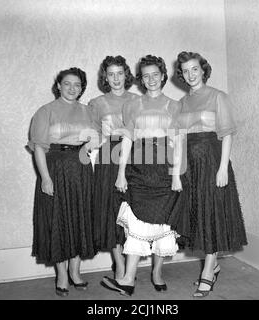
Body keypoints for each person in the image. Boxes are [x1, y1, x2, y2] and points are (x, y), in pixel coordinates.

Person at [101, 55, 190, 296]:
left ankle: (157, 272)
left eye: (155, 74)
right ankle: (128, 278)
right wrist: (121, 173)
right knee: (136, 220)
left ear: (163, 76)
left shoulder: (175, 105)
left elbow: (178, 142)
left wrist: (176, 175)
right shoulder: (132, 105)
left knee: (163, 222)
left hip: (164, 168)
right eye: (145, 75)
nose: (151, 79)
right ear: (140, 79)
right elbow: (128, 140)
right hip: (137, 169)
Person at [175, 51, 247, 298]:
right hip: (191, 167)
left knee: (212, 214)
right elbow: (180, 139)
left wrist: (223, 168)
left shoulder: (218, 96)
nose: (190, 74)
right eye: (185, 70)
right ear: (181, 74)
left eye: (194, 69)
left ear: (203, 70)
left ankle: (207, 271)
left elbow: (226, 134)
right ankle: (213, 264)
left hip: (213, 162)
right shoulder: (182, 103)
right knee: (200, 215)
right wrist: (179, 172)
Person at [28, 67, 97, 297]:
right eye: (67, 83)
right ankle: (61, 275)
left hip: (81, 170)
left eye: (77, 85)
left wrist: (86, 148)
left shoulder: (88, 111)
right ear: (58, 85)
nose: (72, 88)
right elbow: (39, 147)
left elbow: (96, 137)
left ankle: (76, 273)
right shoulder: (45, 111)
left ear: (82, 88)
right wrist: (45, 178)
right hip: (55, 170)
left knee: (79, 218)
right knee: (59, 219)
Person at [88, 55, 138, 279]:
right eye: (111, 74)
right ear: (105, 77)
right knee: (111, 211)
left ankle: (131, 262)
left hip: (137, 157)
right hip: (109, 158)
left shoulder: (138, 100)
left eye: (120, 73)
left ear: (126, 75)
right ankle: (119, 263)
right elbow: (93, 136)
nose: (116, 78)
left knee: (133, 211)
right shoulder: (97, 104)